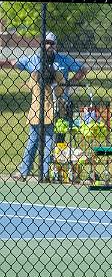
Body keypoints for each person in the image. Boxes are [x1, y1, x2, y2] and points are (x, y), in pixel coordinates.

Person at [11, 47, 64, 181]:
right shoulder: (56, 74)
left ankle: (24, 172)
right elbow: (59, 92)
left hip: (35, 111)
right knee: (48, 144)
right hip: (49, 112)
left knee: (32, 143)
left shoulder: (35, 74)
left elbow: (30, 86)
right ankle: (44, 174)